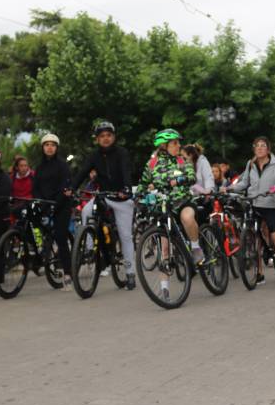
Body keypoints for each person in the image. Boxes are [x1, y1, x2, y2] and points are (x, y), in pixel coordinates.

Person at [73, 121, 137, 288]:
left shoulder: (122, 153)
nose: (106, 139)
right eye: (102, 136)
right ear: (97, 139)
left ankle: (130, 273)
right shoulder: (94, 156)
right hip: (104, 196)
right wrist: (70, 188)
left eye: (109, 135)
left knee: (125, 237)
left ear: (114, 137)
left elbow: (126, 171)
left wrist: (126, 188)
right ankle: (88, 249)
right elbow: (82, 172)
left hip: (122, 198)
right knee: (86, 211)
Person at [140, 129, 199, 302]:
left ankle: (196, 248)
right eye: (174, 143)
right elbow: (143, 183)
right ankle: (164, 290)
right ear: (164, 146)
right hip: (165, 207)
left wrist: (179, 180)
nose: (178, 145)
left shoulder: (182, 160)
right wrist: (138, 196)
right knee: (164, 249)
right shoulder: (151, 164)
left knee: (187, 218)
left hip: (182, 202)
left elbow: (192, 177)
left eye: (178, 143)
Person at [231, 136, 275, 285]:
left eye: (263, 145)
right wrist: (230, 188)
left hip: (270, 204)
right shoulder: (250, 164)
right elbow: (244, 182)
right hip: (253, 203)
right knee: (254, 239)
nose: (259, 148)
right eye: (256, 146)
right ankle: (259, 273)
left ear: (268, 149)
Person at [34, 134, 74, 287]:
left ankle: (68, 272)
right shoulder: (39, 167)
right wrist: (42, 202)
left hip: (62, 205)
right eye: (46, 144)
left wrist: (55, 204)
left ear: (57, 148)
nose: (49, 147)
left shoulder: (63, 165)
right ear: (42, 147)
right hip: (45, 204)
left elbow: (65, 187)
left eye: (53, 145)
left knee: (60, 237)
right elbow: (35, 188)